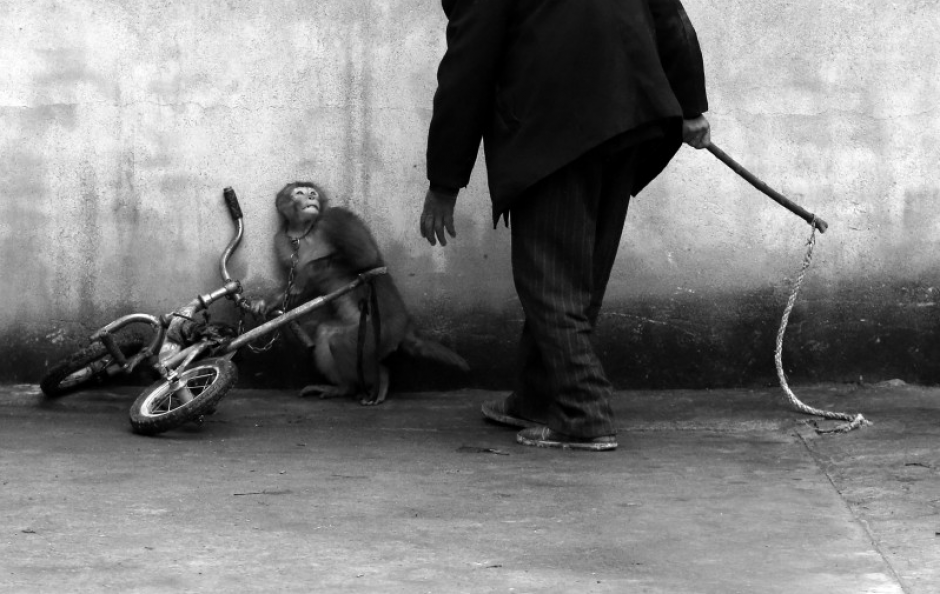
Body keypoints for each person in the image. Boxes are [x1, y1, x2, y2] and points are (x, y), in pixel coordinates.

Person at [419, 0, 711, 451]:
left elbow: (467, 69)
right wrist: (690, 106)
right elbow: (671, 17)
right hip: (631, 119)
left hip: (555, 130)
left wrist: (444, 182)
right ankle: (538, 398)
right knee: (575, 278)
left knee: (551, 283)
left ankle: (584, 414)